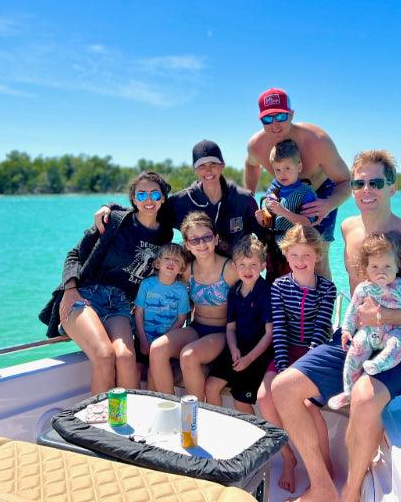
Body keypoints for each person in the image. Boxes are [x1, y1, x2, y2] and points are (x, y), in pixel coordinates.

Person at [270, 150, 401, 502]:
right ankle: (323, 487)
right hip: (356, 336)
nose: (366, 190)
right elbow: (356, 294)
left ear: (392, 188)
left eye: (375, 182)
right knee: (284, 387)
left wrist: (387, 317)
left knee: (365, 397)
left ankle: (351, 493)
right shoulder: (349, 228)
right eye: (358, 183)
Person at [38, 171, 173, 395]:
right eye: (141, 195)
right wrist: (70, 290)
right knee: (104, 354)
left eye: (154, 194)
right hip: (84, 295)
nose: (148, 200)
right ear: (133, 199)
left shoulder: (165, 234)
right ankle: (92, 426)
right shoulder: (116, 221)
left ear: (163, 198)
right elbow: (74, 254)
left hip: (119, 303)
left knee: (126, 357)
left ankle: (131, 421)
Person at [256, 224, 337, 493]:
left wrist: (297, 372)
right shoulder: (279, 286)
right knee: (264, 398)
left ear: (317, 257)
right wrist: (282, 366)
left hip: (314, 354)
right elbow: (279, 328)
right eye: (295, 256)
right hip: (284, 350)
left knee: (308, 405)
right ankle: (288, 457)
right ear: (286, 255)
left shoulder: (327, 288)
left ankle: (324, 468)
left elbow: (321, 330)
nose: (300, 262)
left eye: (306, 256)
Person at [327, 231, 401, 410]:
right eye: (375, 267)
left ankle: (377, 364)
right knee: (354, 352)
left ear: (398, 266)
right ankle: (348, 393)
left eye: (387, 266)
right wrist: (347, 330)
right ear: (366, 268)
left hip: (397, 329)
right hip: (370, 331)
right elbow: (353, 309)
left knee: (400, 344)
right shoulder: (364, 288)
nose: (381, 271)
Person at [245, 87, 352, 277]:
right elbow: (251, 165)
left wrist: (328, 204)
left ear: (292, 114)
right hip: (286, 193)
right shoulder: (256, 145)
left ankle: (323, 304)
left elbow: (346, 181)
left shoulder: (317, 141)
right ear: (260, 119)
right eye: (268, 119)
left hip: (320, 195)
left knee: (316, 258)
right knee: (282, 256)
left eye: (281, 116)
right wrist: (250, 197)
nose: (275, 124)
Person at [94, 140, 263, 252]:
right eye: (202, 166)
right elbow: (147, 209)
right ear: (195, 170)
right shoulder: (181, 201)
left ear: (222, 165)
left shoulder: (243, 199)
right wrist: (110, 207)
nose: (208, 170)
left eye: (213, 164)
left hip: (237, 274)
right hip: (198, 276)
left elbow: (265, 238)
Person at [148, 212, 238, 398]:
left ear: (216, 239)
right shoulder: (187, 270)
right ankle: (170, 406)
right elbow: (167, 290)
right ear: (187, 245)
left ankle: (195, 415)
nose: (201, 244)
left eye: (207, 237)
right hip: (196, 328)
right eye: (194, 240)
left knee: (189, 356)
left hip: (223, 332)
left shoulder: (230, 269)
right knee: (157, 349)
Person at [205, 235, 273, 414]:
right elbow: (230, 328)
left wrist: (248, 358)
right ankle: (218, 430)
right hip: (237, 349)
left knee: (240, 401)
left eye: (253, 265)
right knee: (211, 387)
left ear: (263, 266)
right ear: (234, 266)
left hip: (258, 354)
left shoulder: (266, 292)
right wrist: (233, 348)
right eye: (242, 265)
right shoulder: (234, 291)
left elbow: (269, 334)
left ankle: (255, 440)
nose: (247, 270)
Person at [255, 139, 319, 279]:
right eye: (278, 170)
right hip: (273, 248)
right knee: (272, 284)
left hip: (294, 250)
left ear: (299, 167)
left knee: (292, 284)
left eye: (287, 168)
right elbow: (270, 222)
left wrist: (284, 212)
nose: (282, 173)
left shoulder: (305, 193)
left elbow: (308, 222)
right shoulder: (275, 192)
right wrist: (262, 220)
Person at [133, 243, 191, 389]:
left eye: (177, 261)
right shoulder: (147, 285)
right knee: (134, 372)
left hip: (165, 343)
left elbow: (181, 319)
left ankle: (153, 405)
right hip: (143, 339)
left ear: (181, 269)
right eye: (167, 258)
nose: (171, 262)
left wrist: (163, 341)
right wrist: (143, 341)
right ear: (158, 264)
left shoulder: (181, 291)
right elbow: (138, 314)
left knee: (154, 372)